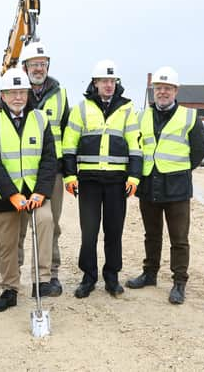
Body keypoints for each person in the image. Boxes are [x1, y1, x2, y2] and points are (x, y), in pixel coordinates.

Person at [125, 66, 204, 304]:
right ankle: (150, 274)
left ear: (175, 90)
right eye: (159, 88)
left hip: (177, 187)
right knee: (152, 235)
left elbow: (198, 150)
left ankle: (179, 282)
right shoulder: (142, 117)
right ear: (153, 91)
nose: (162, 92)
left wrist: (180, 170)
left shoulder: (189, 117)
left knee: (179, 238)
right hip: (149, 184)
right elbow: (136, 147)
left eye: (167, 88)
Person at [62, 59, 142, 298]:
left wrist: (134, 177)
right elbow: (69, 145)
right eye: (103, 81)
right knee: (89, 231)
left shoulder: (128, 109)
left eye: (112, 81)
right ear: (94, 83)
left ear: (116, 83)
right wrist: (69, 175)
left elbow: (136, 147)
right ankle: (88, 277)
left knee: (114, 230)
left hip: (118, 182)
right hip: (89, 181)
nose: (108, 85)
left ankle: (112, 277)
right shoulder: (81, 108)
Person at [0, 68, 56, 312]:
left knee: (46, 222)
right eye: (12, 93)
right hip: (5, 195)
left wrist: (41, 192)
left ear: (28, 94)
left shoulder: (41, 119)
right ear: (2, 96)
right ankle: (9, 289)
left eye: (21, 92)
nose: (17, 98)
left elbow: (49, 159)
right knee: (8, 243)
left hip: (35, 192)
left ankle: (42, 280)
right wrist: (11, 193)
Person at [17, 41, 70, 296]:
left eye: (43, 63)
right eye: (34, 64)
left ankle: (51, 276)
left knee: (50, 224)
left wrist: (68, 170)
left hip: (53, 172)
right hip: (20, 171)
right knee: (18, 226)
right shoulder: (14, 90)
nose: (39, 68)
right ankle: (13, 276)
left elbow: (68, 132)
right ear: (24, 66)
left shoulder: (60, 93)